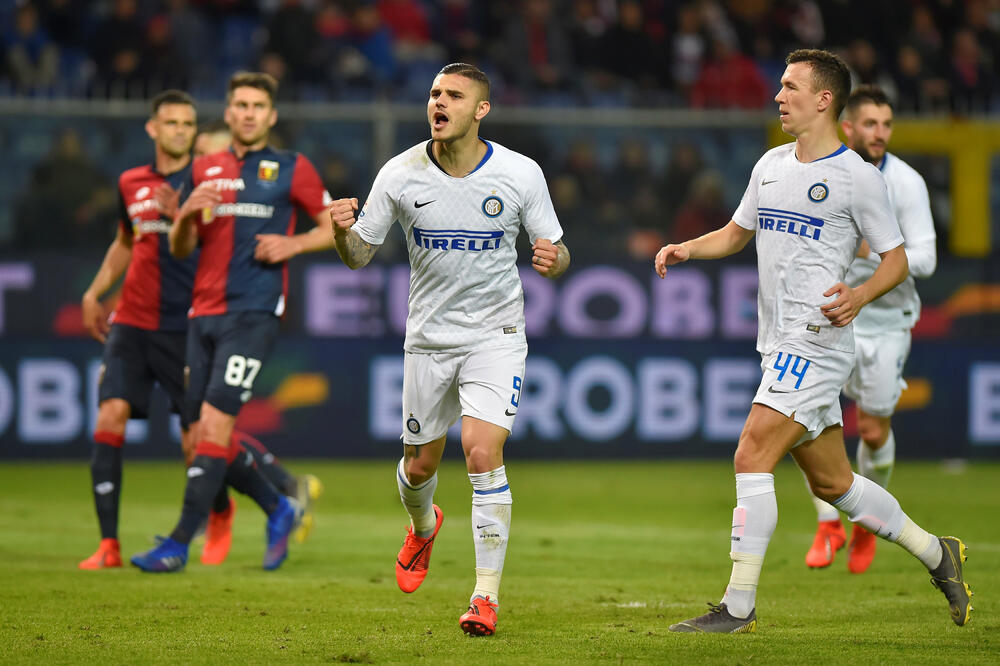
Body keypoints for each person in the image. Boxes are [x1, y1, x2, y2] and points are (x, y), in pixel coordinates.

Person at [656, 49, 970, 633]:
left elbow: (896, 261)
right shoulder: (771, 164)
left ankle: (738, 607)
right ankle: (937, 552)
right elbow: (735, 233)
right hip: (776, 343)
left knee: (751, 453)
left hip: (817, 344)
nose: (779, 96)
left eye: (790, 86)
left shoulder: (858, 179)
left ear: (824, 99)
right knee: (834, 483)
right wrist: (687, 249)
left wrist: (860, 294)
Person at [328, 63, 570, 636]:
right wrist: (342, 231)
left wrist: (552, 260)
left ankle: (484, 598)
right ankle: (422, 527)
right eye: (434, 93)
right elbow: (359, 256)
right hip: (429, 341)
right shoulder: (401, 172)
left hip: (496, 336)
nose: (439, 102)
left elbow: (558, 254)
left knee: (482, 453)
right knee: (419, 466)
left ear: (481, 109)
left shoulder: (519, 173)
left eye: (453, 95)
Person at [79, 90, 318, 570]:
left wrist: (289, 244)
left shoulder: (241, 172)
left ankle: (206, 526)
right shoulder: (149, 181)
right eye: (172, 122)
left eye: (189, 124)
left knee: (204, 435)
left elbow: (327, 224)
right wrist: (95, 291)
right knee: (132, 421)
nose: (181, 131)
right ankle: (115, 543)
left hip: (214, 316)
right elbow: (143, 242)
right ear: (154, 127)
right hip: (160, 318)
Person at [804, 86, 937, 573]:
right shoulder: (822, 175)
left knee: (875, 428)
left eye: (886, 125)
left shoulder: (906, 183)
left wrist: (880, 251)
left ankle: (867, 521)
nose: (880, 133)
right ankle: (827, 523)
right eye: (870, 124)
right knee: (805, 414)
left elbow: (926, 257)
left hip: (884, 321)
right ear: (847, 127)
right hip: (830, 314)